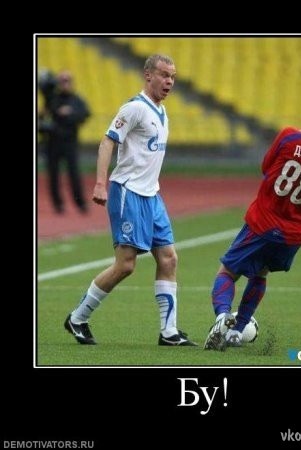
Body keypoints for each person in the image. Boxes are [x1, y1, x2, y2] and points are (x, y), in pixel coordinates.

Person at [64, 54, 197, 346]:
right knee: (125, 265)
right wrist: (101, 183)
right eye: (164, 75)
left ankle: (169, 332)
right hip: (128, 192)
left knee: (169, 258)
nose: (170, 82)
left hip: (152, 195)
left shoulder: (162, 112)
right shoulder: (135, 108)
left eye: (173, 77)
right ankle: (77, 318)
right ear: (148, 75)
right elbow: (108, 141)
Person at [204, 99, 301, 350]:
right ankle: (237, 332)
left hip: (262, 222)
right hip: (292, 236)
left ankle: (222, 318)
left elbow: (265, 167)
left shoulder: (290, 137)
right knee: (261, 273)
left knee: (227, 272)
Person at [39, 70, 90, 214]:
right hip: (53, 142)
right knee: (53, 174)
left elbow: (85, 114)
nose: (64, 84)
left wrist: (70, 113)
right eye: (61, 81)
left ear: (71, 83)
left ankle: (80, 203)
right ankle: (58, 204)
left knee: (74, 173)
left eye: (67, 81)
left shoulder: (76, 100)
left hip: (70, 142)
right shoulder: (52, 99)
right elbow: (43, 118)